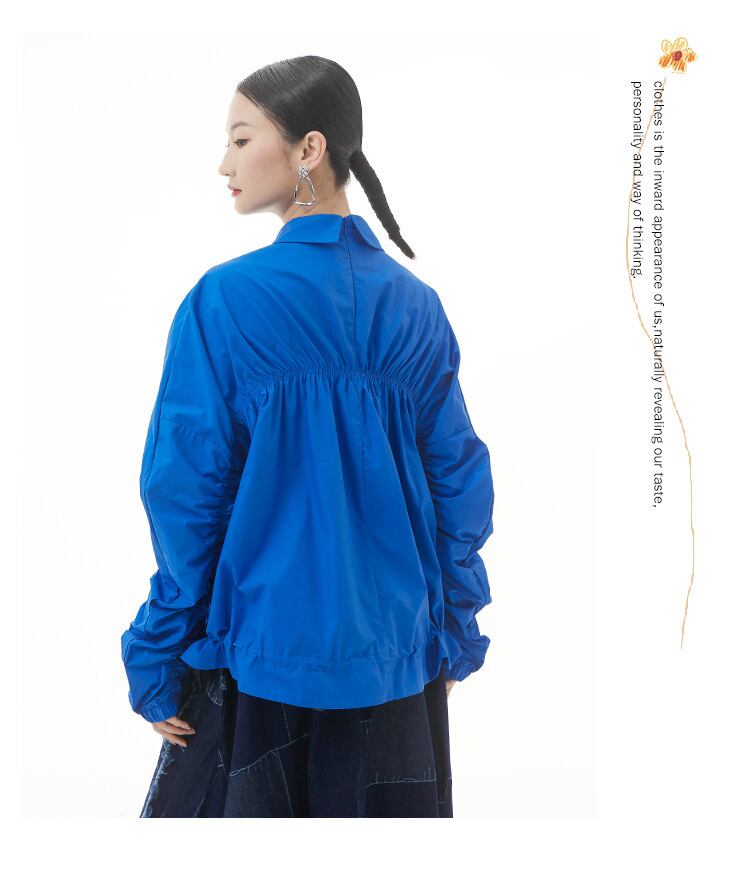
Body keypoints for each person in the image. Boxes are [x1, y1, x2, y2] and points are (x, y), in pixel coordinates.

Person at [121, 55, 495, 818]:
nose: (224, 163)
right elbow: (460, 485)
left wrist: (157, 648)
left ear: (309, 149)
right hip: (400, 674)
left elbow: (186, 496)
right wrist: (456, 630)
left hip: (263, 674)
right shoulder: (416, 308)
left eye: (240, 138)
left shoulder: (224, 303)